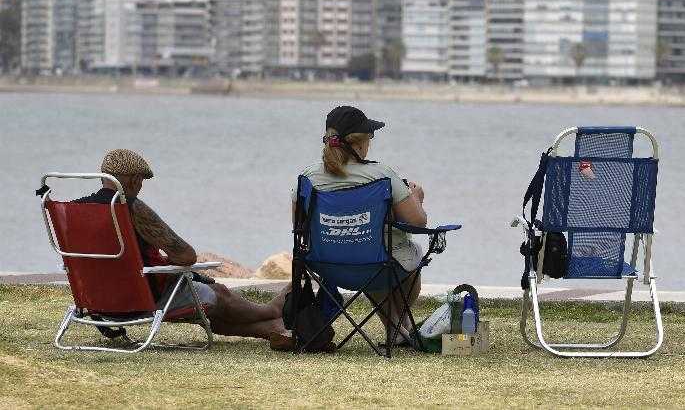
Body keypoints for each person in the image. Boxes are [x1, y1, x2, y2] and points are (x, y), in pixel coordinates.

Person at [76, 149, 291, 347]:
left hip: (98, 302)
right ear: (134, 180)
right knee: (218, 294)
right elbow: (186, 255)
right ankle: (272, 311)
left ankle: (272, 329)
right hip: (143, 299)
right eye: (141, 181)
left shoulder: (76, 210)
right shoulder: (130, 208)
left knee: (208, 309)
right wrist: (167, 263)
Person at [294, 105, 428, 344]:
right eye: (369, 138)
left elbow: (299, 225)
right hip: (374, 264)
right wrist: (416, 196)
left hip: (326, 265)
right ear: (358, 144)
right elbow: (418, 222)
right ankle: (399, 325)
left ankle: (397, 327)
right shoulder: (382, 176)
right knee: (400, 253)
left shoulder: (307, 178)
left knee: (366, 250)